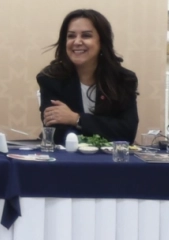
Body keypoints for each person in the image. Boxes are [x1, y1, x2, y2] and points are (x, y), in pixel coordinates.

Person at [36, 9, 139, 144]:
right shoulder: (50, 79)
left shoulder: (123, 79)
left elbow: (127, 132)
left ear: (102, 42)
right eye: (71, 36)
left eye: (86, 36)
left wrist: (76, 119)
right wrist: (105, 127)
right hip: (65, 155)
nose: (77, 42)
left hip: (110, 156)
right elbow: (57, 133)